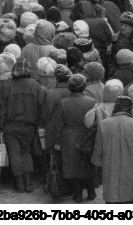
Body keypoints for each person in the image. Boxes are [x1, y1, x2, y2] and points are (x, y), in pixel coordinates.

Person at [0, 58, 45, 192]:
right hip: (29, 126)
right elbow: (40, 106)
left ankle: (19, 183)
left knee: (14, 152)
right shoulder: (35, 85)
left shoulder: (8, 85)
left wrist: (0, 127)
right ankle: (28, 182)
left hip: (11, 126)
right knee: (26, 151)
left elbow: (2, 109)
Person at [92, 95, 133, 204]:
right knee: (130, 198)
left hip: (110, 167)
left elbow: (98, 150)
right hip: (130, 168)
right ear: (130, 108)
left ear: (115, 107)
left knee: (112, 199)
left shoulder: (104, 124)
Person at [54, 73, 96, 203]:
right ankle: (91, 191)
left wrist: (57, 141)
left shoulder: (63, 102)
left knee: (72, 165)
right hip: (87, 135)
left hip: (68, 137)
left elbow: (58, 123)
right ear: (84, 87)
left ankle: (77, 194)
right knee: (88, 163)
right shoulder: (92, 101)